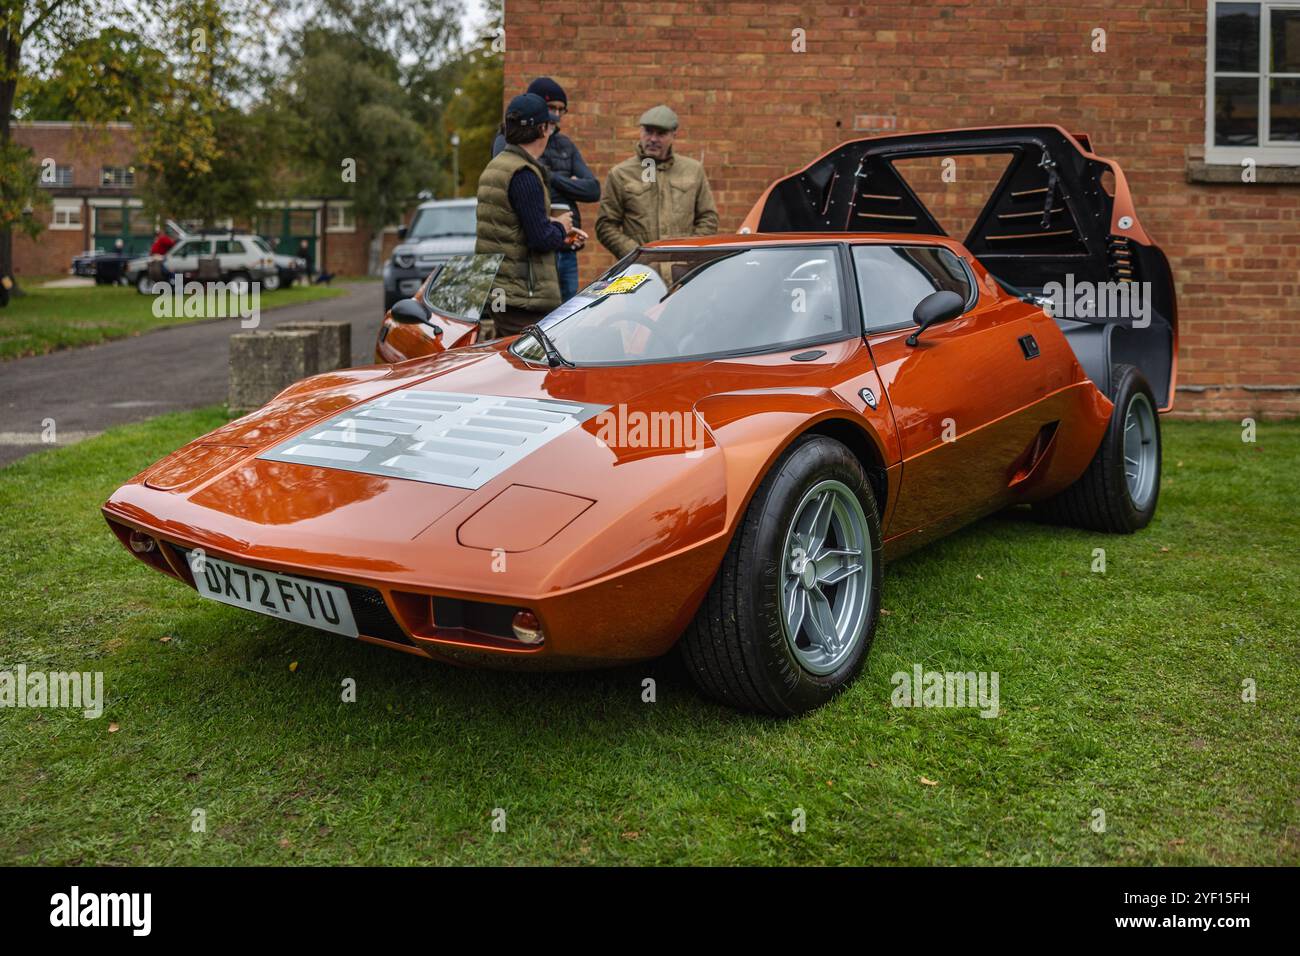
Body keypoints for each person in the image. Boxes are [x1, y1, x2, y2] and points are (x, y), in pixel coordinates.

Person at [476, 92, 586, 338]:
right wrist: (561, 227)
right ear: (543, 129)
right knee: (532, 372)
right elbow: (540, 238)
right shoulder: (524, 174)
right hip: (523, 298)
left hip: (503, 292)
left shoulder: (496, 167)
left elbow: (512, 229)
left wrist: (554, 229)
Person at [492, 77, 600, 302]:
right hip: (535, 253)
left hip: (565, 248)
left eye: (562, 110)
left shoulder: (565, 145)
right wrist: (565, 181)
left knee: (567, 318)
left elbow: (592, 190)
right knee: (537, 320)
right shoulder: (510, 145)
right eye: (551, 108)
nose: (556, 116)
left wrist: (552, 177)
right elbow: (518, 177)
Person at [595, 104, 718, 259]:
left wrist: (689, 253)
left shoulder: (692, 170)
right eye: (648, 131)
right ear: (640, 131)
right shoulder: (621, 173)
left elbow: (708, 218)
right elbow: (605, 225)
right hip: (639, 270)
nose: (653, 139)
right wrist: (636, 254)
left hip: (683, 269)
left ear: (674, 135)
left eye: (661, 133)